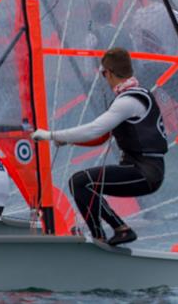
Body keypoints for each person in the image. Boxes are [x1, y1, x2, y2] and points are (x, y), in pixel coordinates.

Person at [32, 48, 167, 246]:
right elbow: (101, 138)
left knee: (80, 182)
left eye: (103, 74)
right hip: (143, 169)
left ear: (109, 73)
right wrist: (67, 139)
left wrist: (51, 135)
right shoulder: (135, 95)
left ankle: (112, 232)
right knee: (82, 183)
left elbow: (95, 130)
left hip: (145, 172)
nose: (104, 78)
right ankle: (107, 233)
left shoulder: (128, 101)